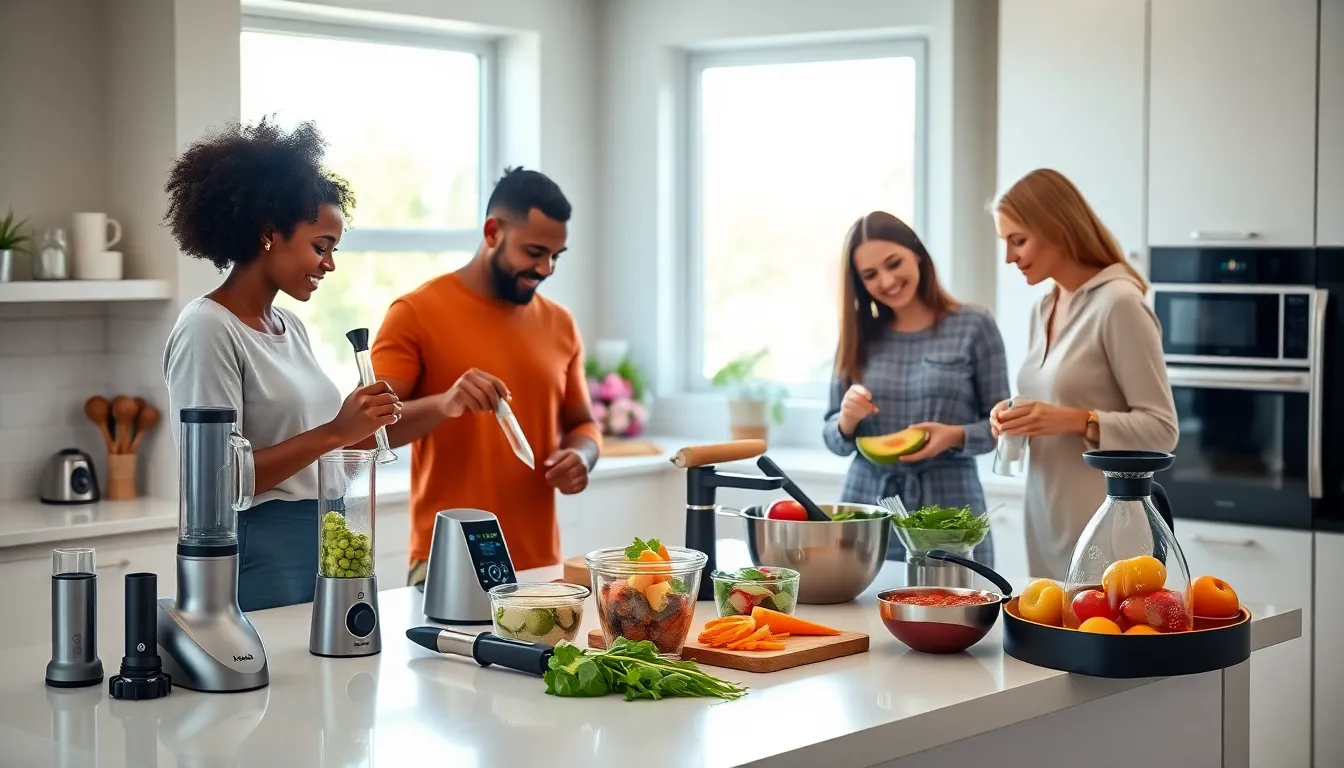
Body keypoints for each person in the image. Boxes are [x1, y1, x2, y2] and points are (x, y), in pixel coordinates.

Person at [161, 118, 404, 612]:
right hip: (262, 547)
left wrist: (362, 424)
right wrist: (336, 431)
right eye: (321, 247)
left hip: (327, 532)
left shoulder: (289, 326)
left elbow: (317, 448)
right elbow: (215, 481)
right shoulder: (208, 328)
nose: (329, 264)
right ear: (269, 233)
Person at [371, 166, 602, 585]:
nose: (546, 268)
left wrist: (582, 457)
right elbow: (366, 432)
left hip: (541, 567)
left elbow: (582, 423)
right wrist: (445, 404)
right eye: (534, 252)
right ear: (493, 232)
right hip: (449, 561)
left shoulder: (561, 324)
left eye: (555, 256)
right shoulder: (415, 313)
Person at [989, 168, 1178, 579]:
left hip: (1107, 530)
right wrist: (1014, 415)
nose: (1009, 257)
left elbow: (1162, 430)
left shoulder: (1119, 305)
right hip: (1045, 518)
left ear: (1057, 228)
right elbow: (1054, 399)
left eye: (1018, 240)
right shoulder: (1045, 307)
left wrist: (1077, 420)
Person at [822, 211, 1010, 566]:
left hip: (950, 504)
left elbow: (1003, 427)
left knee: (957, 598)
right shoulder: (858, 337)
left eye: (894, 263)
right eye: (870, 275)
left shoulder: (974, 325)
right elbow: (833, 437)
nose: (887, 281)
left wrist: (954, 435)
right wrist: (846, 419)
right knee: (862, 601)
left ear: (917, 254)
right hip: (869, 504)